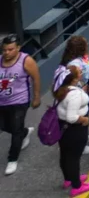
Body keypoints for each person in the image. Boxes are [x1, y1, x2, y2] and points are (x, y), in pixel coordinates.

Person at [0, 34, 40, 176]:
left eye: (10, 49)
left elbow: (35, 78)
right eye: (4, 50)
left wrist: (36, 97)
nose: (6, 53)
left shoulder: (26, 61)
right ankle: (25, 132)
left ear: (18, 48)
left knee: (15, 130)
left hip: (19, 101)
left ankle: (12, 159)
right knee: (4, 127)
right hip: (2, 102)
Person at [55, 65, 89, 196]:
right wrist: (84, 120)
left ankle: (69, 179)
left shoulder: (61, 89)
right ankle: (77, 186)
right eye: (79, 72)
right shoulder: (74, 95)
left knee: (65, 154)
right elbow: (72, 117)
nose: (81, 73)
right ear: (74, 79)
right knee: (74, 157)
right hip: (74, 129)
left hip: (62, 127)